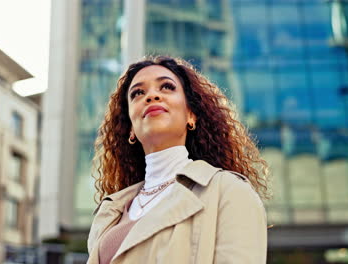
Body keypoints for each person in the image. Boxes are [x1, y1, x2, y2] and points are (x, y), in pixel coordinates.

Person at [87, 56, 269, 264]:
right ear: (130, 128)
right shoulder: (111, 211)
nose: (152, 95)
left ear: (191, 115)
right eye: (138, 93)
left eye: (166, 87)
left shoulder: (228, 191)